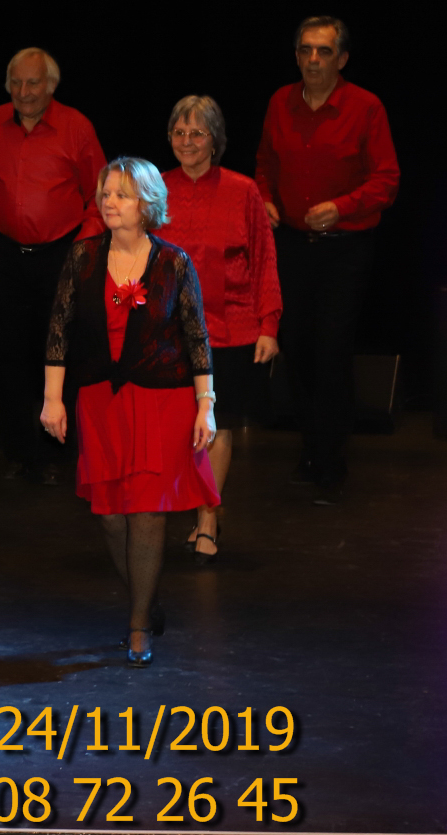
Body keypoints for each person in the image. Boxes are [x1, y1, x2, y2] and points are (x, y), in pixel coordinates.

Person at [40, 158, 218, 668]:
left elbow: (197, 339)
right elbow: (59, 330)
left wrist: (206, 405)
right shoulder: (83, 257)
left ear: (147, 203)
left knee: (146, 510)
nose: (109, 202)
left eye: (121, 194)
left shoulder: (174, 263)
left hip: (162, 400)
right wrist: (53, 398)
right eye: (106, 193)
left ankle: (139, 624)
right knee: (110, 516)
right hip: (101, 402)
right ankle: (148, 597)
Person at [255, 16, 400, 505]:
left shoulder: (366, 107)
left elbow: (386, 180)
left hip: (344, 248)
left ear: (342, 59)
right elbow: (264, 165)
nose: (313, 60)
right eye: (305, 50)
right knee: (295, 348)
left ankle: (331, 457)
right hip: (293, 246)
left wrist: (342, 207)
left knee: (332, 350)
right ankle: (310, 447)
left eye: (323, 51)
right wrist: (265, 199)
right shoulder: (280, 101)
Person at [0, 47, 106, 486]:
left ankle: (58, 450)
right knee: (6, 356)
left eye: (33, 83)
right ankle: (19, 453)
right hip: (4, 255)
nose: (24, 92)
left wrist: (81, 248)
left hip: (61, 255)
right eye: (16, 83)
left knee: (59, 352)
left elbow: (100, 195)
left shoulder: (76, 127)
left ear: (51, 86)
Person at [155, 95, 280, 562]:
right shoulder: (154, 187)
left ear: (215, 141)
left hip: (231, 327)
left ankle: (208, 517)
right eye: (179, 132)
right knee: (171, 428)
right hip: (166, 330)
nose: (187, 142)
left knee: (218, 426)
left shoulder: (243, 190)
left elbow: (264, 259)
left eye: (197, 133)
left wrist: (269, 324)